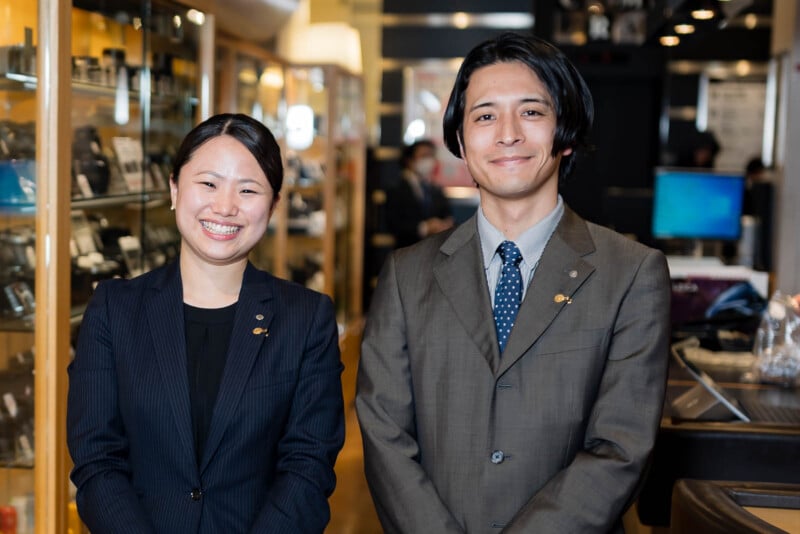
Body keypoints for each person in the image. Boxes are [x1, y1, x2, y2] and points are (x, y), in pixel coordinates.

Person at [356, 32, 671, 533]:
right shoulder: (405, 275)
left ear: (565, 133)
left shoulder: (632, 273)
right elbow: (384, 432)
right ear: (461, 142)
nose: (508, 134)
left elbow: (620, 448)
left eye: (531, 112)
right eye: (485, 116)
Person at [67, 113, 345, 533]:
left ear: (273, 205)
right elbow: (97, 459)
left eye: (248, 190)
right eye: (209, 184)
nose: (225, 206)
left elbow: (308, 465)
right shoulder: (114, 309)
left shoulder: (306, 318)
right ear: (175, 189)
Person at [384, 139, 454, 248]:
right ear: (410, 160)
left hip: (434, 250)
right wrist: (425, 227)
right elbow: (393, 224)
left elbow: (448, 216)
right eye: (424, 156)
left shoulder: (436, 189)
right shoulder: (396, 188)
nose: (429, 161)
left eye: (431, 156)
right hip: (407, 250)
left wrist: (445, 225)